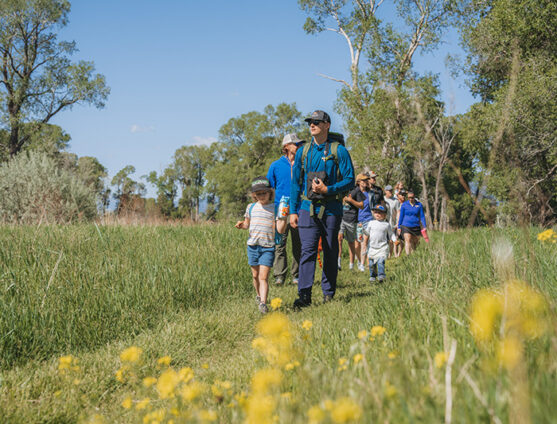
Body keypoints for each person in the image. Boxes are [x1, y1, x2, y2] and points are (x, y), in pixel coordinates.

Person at [290, 110, 355, 307]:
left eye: (317, 122)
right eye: (310, 122)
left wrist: (329, 189)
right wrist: (292, 211)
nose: (312, 125)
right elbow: (295, 183)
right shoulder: (303, 151)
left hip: (332, 209)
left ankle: (328, 292)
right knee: (307, 250)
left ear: (327, 125)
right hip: (306, 208)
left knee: (330, 249)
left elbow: (350, 180)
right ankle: (304, 296)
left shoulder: (339, 151)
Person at [235, 177, 286, 313]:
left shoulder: (274, 208)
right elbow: (247, 224)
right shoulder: (251, 207)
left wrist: (283, 219)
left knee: (263, 276)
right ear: (254, 195)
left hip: (268, 247)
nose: (262, 196)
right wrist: (242, 225)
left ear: (270, 192)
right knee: (255, 276)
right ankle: (258, 295)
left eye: (264, 193)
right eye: (258, 194)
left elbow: (280, 229)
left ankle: (263, 303)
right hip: (253, 246)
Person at [267, 133, 304, 285]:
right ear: (286, 147)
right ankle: (279, 276)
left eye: (299, 144)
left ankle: (296, 276)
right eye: (295, 144)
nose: (298, 146)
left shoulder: (303, 165)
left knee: (298, 243)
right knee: (280, 243)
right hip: (280, 209)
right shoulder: (275, 166)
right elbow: (268, 189)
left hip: (299, 208)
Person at [338, 174, 365, 270]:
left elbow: (361, 205)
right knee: (339, 238)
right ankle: (338, 262)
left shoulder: (357, 190)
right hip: (341, 217)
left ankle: (351, 264)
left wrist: (351, 200)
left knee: (351, 242)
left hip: (352, 219)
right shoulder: (341, 187)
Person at [366, 205, 396, 282]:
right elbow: (366, 233)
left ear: (385, 215)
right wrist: (361, 230)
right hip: (372, 247)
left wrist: (395, 240)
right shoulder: (371, 223)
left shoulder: (386, 224)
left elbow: (391, 234)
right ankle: (372, 276)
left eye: (380, 213)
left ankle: (381, 276)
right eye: (376, 212)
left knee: (380, 262)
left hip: (383, 247)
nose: (378, 214)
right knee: (371, 264)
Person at [397, 188, 426, 255]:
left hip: (416, 226)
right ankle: (408, 255)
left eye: (412, 197)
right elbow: (401, 216)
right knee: (408, 240)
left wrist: (424, 226)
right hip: (406, 225)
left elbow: (422, 216)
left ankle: (413, 256)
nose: (410, 199)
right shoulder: (404, 205)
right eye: (409, 197)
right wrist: (399, 227)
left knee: (415, 242)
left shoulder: (419, 205)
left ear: (414, 196)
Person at [355, 174, 373, 272]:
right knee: (358, 244)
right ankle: (359, 261)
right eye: (363, 180)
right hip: (358, 221)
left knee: (365, 242)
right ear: (358, 182)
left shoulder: (370, 194)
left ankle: (363, 264)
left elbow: (373, 207)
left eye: (366, 180)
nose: (365, 182)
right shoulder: (354, 193)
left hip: (369, 220)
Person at [383, 184, 400, 257]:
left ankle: (390, 254)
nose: (390, 192)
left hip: (392, 223)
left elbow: (398, 212)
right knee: (383, 238)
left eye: (391, 190)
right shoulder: (382, 199)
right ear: (385, 191)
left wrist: (397, 223)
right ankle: (385, 254)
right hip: (383, 222)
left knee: (391, 239)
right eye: (389, 190)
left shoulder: (395, 201)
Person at [394, 189, 406, 257]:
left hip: (404, 224)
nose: (403, 197)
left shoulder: (406, 204)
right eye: (402, 195)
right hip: (396, 223)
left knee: (402, 240)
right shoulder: (396, 202)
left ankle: (399, 254)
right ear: (398, 196)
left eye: (404, 195)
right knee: (396, 239)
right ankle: (395, 254)